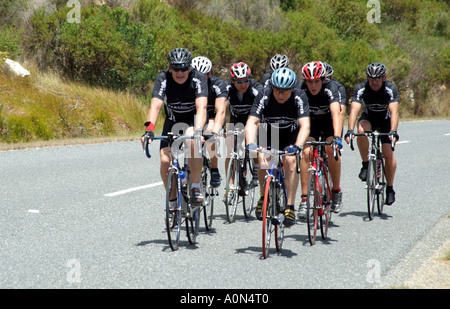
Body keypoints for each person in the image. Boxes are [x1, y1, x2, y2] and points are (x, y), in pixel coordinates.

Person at [142, 48, 208, 205]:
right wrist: (149, 130)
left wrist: (198, 131)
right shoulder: (163, 78)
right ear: (169, 68)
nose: (180, 72)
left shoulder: (197, 78)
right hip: (172, 121)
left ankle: (196, 187)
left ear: (190, 68)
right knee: (165, 161)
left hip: (193, 121)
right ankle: (172, 200)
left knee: (193, 140)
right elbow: (155, 106)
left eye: (184, 68)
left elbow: (202, 107)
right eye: (176, 68)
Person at [245, 68, 310, 227]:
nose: (281, 95)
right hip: (270, 132)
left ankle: (290, 206)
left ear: (292, 89)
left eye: (285, 92)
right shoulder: (264, 95)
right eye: (277, 91)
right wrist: (250, 144)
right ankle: (263, 195)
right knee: (264, 159)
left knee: (290, 161)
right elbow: (252, 122)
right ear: (272, 88)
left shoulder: (299, 96)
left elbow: (305, 125)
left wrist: (298, 146)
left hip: (290, 134)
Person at [345, 62, 399, 205]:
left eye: (378, 78)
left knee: (388, 154)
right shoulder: (361, 88)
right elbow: (354, 110)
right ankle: (365, 164)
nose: (374, 82)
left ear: (384, 78)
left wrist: (393, 132)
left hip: (385, 121)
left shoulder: (390, 88)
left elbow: (394, 112)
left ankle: (389, 188)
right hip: (369, 118)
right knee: (361, 131)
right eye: (371, 79)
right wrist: (350, 130)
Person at [298, 61, 343, 218]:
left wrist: (336, 137)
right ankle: (304, 200)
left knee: (331, 149)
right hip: (311, 125)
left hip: (330, 124)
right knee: (306, 152)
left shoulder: (331, 88)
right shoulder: (301, 90)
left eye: (317, 81)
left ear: (323, 80)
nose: (313, 85)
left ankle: (336, 190)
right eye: (309, 81)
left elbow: (336, 113)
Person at [224, 62, 264, 199]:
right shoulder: (227, 88)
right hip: (236, 120)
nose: (243, 84)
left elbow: (262, 111)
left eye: (246, 80)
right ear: (232, 81)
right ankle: (229, 187)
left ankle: (256, 169)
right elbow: (222, 109)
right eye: (239, 81)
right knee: (230, 148)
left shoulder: (257, 89)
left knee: (253, 145)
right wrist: (223, 128)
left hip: (255, 119)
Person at [191, 56, 228, 187]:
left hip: (213, 117)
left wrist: (215, 131)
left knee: (209, 131)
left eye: (204, 75)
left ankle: (214, 169)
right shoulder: (189, 84)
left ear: (209, 74)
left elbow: (221, 111)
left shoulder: (218, 85)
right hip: (197, 116)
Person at [323, 62, 347, 132]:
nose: (325, 81)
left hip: (331, 117)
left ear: (331, 77)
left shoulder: (338, 87)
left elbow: (341, 111)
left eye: (327, 78)